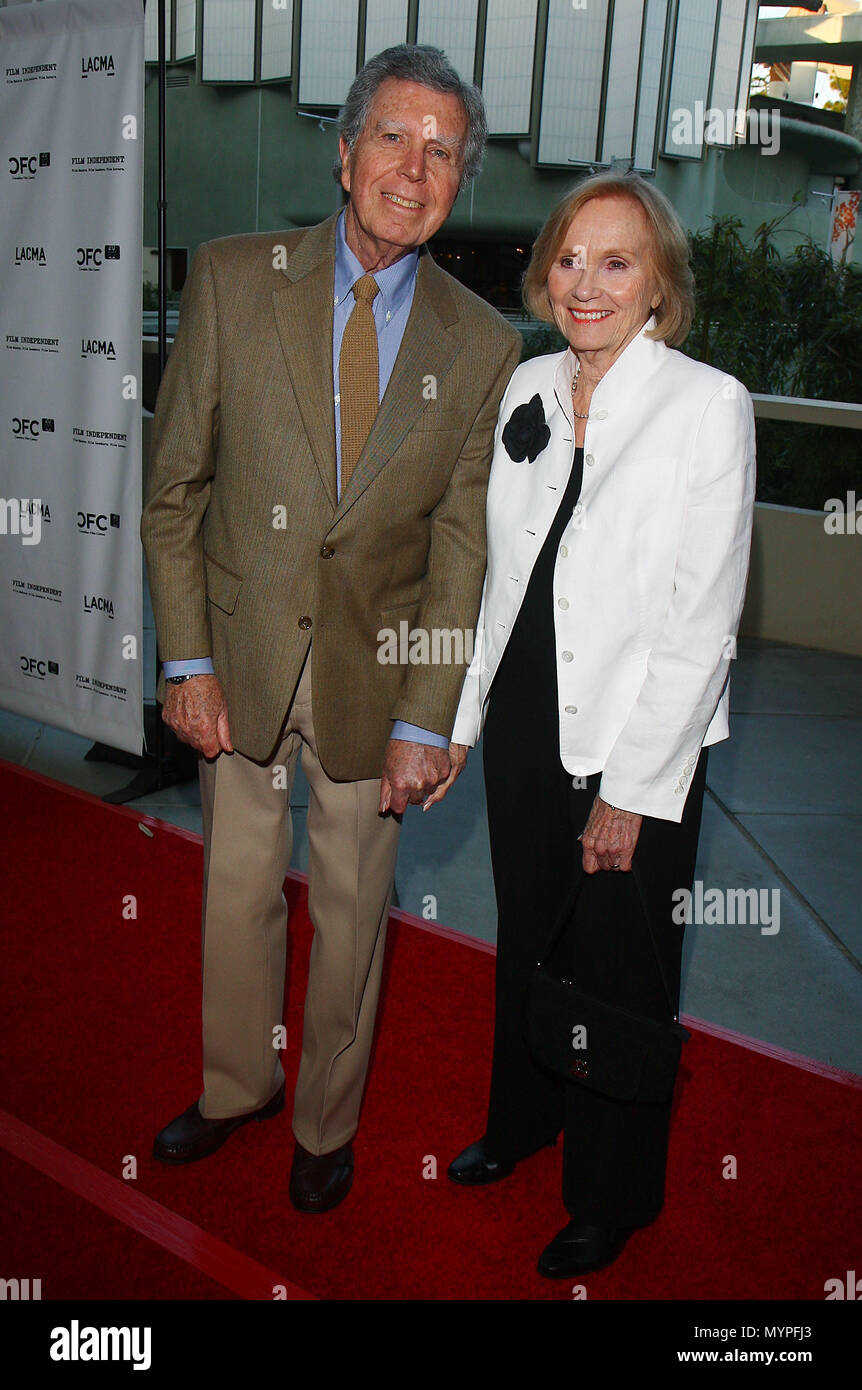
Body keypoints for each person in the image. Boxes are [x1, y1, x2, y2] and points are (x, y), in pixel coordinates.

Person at [140, 44, 520, 1213]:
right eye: (395, 138)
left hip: (377, 677)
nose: (415, 169)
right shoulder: (232, 277)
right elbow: (175, 491)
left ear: (462, 177)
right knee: (238, 890)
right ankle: (234, 1083)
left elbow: (461, 549)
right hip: (241, 659)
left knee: (355, 912)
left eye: (443, 151)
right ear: (344, 149)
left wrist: (428, 715)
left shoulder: (484, 343)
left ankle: (325, 1121)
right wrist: (188, 658)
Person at [434, 171, 756, 1275]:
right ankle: (523, 1121)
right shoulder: (527, 382)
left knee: (621, 964)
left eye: (615, 262)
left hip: (636, 739)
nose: (585, 283)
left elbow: (702, 620)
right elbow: (499, 581)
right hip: (527, 715)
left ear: (658, 283)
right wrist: (459, 723)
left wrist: (630, 785)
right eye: (569, 259)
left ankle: (610, 1194)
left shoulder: (706, 405)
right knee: (528, 936)